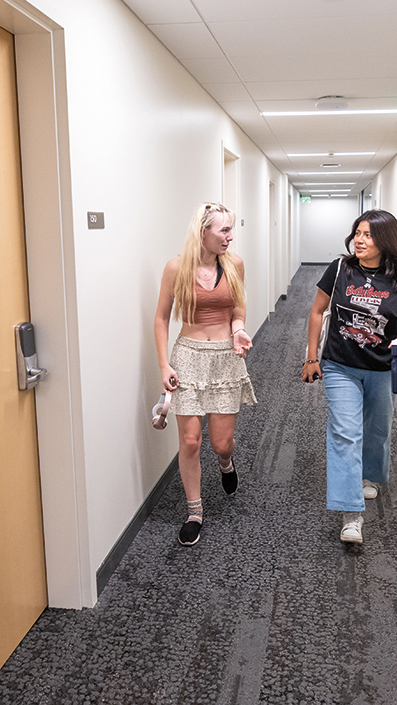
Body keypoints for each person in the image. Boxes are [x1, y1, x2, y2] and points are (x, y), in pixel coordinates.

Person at [302, 210, 397, 545]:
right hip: (340, 364)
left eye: (368, 234)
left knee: (376, 430)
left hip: (384, 367)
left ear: (385, 241)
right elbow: (317, 311)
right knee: (345, 433)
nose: (360, 239)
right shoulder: (340, 269)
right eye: (357, 232)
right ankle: (351, 515)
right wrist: (312, 356)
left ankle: (369, 475)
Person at [155, 202, 257, 546]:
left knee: (220, 443)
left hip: (226, 357)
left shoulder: (235, 265)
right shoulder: (176, 268)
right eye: (224, 230)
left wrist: (239, 329)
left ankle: (227, 464)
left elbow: (238, 307)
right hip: (189, 356)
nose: (230, 236)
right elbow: (160, 319)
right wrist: (164, 365)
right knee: (190, 441)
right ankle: (194, 512)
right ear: (203, 232)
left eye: (231, 229)